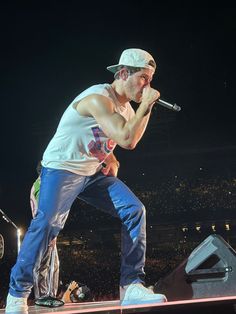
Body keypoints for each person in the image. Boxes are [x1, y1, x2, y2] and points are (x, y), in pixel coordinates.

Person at [6, 47, 167, 313]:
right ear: (124, 73)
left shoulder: (127, 111)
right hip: (61, 168)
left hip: (90, 173)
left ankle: (131, 286)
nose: (147, 86)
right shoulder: (97, 98)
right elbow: (127, 138)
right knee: (47, 223)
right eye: (143, 78)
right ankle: (17, 293)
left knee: (135, 210)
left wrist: (111, 159)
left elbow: (126, 140)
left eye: (150, 80)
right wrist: (147, 105)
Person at [29, 162, 64, 307]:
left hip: (43, 227)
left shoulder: (37, 184)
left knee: (51, 264)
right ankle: (44, 296)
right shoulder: (42, 185)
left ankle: (46, 295)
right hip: (45, 228)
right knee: (46, 265)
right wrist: (50, 232)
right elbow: (43, 210)